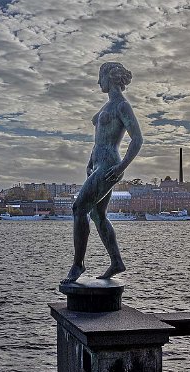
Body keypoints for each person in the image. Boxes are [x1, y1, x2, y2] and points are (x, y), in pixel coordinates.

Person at [62, 62, 143, 283]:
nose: (99, 82)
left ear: (110, 77)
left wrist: (121, 167)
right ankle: (116, 261)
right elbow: (99, 140)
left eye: (100, 77)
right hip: (98, 165)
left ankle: (78, 265)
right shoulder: (105, 108)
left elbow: (137, 139)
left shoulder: (122, 107)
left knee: (79, 208)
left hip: (109, 166)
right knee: (98, 215)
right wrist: (90, 161)